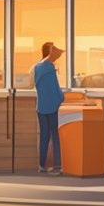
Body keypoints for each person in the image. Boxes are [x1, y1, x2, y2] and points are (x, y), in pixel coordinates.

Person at [32, 41, 65, 175]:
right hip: (52, 107)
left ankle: (41, 165)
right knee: (55, 135)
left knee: (44, 136)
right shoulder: (50, 67)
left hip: (41, 107)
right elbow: (55, 89)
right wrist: (61, 98)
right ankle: (57, 165)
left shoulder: (36, 67)